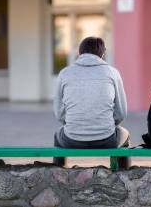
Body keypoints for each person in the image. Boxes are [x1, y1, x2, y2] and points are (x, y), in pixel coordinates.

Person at [53, 36, 130, 167]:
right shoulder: (112, 73)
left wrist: (74, 124)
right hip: (106, 140)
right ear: (103, 53)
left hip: (72, 139)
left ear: (79, 53)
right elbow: (121, 112)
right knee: (125, 135)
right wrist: (107, 124)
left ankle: (59, 176)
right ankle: (123, 176)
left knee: (57, 135)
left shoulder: (65, 73)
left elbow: (59, 113)